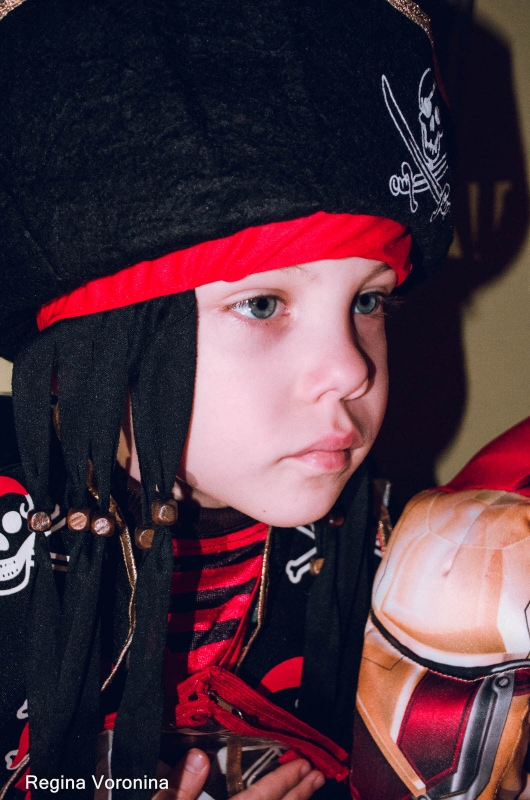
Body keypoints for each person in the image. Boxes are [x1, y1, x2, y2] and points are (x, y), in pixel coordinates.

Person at [0, 1, 453, 799]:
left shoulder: (393, 554)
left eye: (368, 301)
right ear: (101, 341)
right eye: (263, 304)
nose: (350, 369)